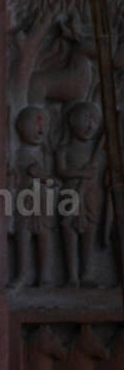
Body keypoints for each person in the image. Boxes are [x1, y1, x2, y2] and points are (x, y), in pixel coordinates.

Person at [56, 100, 104, 287]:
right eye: (85, 119)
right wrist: (81, 173)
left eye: (94, 120)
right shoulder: (64, 148)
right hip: (69, 194)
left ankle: (87, 274)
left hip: (91, 196)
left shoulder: (96, 151)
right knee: (69, 233)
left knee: (89, 235)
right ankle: (72, 276)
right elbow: (61, 171)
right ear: (71, 121)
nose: (90, 125)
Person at [11, 106, 58, 288]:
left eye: (43, 124)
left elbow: (56, 181)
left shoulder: (47, 155)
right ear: (21, 127)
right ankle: (22, 275)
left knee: (44, 236)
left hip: (44, 204)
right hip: (24, 203)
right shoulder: (19, 153)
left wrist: (41, 177)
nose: (40, 129)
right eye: (34, 124)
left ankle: (45, 276)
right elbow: (14, 180)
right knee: (23, 236)